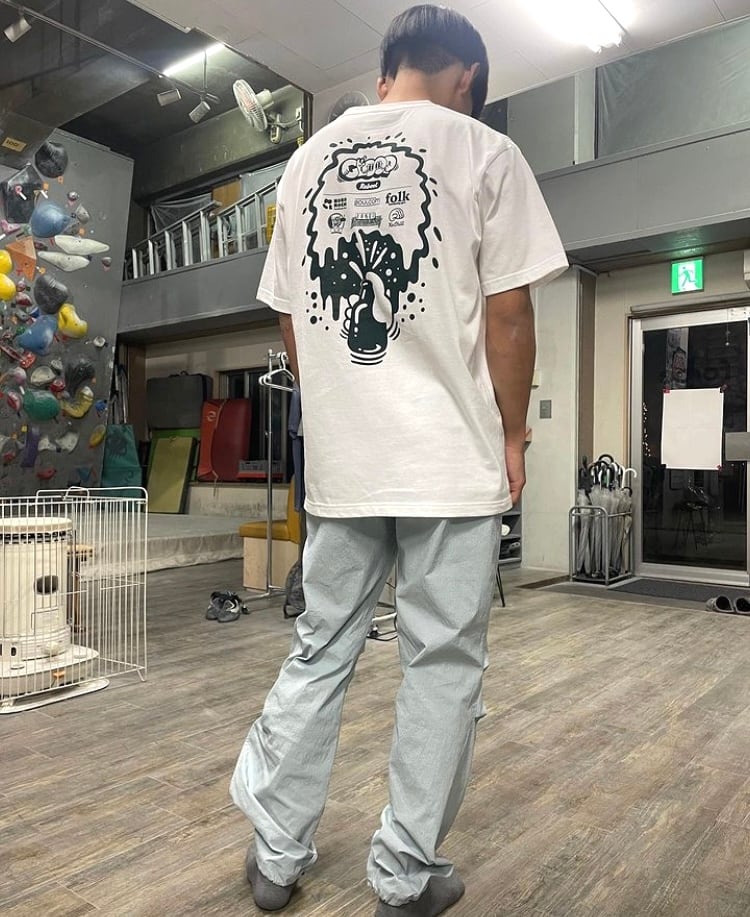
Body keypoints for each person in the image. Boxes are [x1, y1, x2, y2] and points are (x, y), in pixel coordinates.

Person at [230, 5, 568, 915]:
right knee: (441, 663)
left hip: (346, 468)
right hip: (449, 465)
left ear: (387, 75)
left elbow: (292, 318)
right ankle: (405, 874)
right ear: (467, 79)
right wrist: (513, 436)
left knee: (319, 650)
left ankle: (275, 853)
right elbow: (509, 315)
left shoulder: (306, 163)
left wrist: (340, 415)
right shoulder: (484, 151)